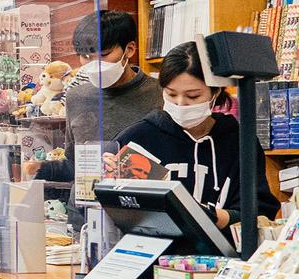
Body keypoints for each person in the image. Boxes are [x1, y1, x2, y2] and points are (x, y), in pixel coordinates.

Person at [114, 42, 279, 232]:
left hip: (223, 257)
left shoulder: (240, 142)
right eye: (171, 94)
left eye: (193, 96)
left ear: (215, 92)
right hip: (154, 256)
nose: (181, 104)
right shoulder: (138, 138)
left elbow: (260, 213)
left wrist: (206, 215)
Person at [65, 10, 163, 158]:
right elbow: (72, 162)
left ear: (129, 49)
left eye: (104, 55)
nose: (95, 64)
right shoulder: (76, 97)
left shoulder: (161, 93)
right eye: (86, 57)